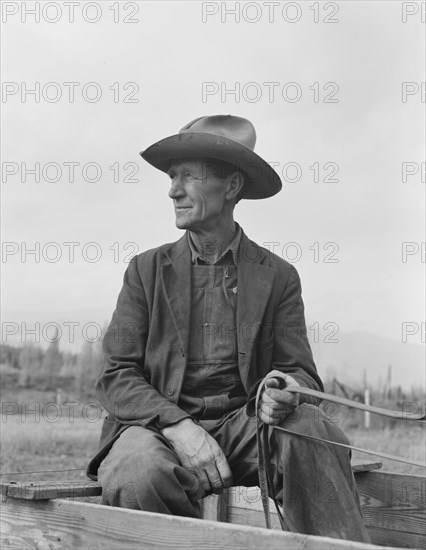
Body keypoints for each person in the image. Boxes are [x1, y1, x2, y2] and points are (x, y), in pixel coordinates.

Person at [87, 115, 370, 542]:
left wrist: (285, 389)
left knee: (310, 429)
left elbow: (302, 374)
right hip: (158, 433)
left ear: (231, 186)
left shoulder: (277, 276)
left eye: (187, 177)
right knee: (137, 471)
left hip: (247, 431)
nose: (173, 190)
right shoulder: (146, 271)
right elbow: (116, 375)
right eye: (171, 177)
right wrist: (180, 427)